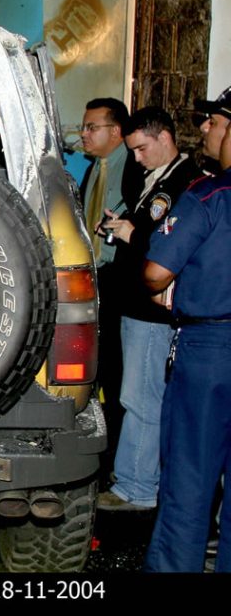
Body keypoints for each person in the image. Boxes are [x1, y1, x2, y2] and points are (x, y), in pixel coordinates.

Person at [142, 85, 231, 572]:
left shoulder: (207, 194)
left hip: (211, 349)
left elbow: (156, 272)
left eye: (215, 121)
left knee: (190, 480)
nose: (205, 129)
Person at [98, 106, 199, 511]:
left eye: (141, 149)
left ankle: (137, 488)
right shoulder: (155, 178)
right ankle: (135, 481)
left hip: (151, 311)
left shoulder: (185, 182)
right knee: (135, 395)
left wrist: (131, 232)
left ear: (164, 137)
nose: (136, 158)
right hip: (136, 306)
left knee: (141, 398)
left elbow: (169, 244)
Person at [78, 97, 143, 457]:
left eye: (92, 127)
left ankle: (118, 453)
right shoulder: (95, 169)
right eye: (84, 128)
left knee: (120, 376)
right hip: (94, 283)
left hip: (119, 287)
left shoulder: (134, 169)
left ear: (116, 132)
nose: (84, 134)